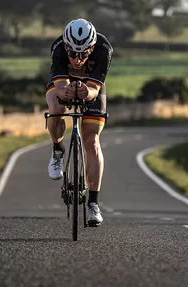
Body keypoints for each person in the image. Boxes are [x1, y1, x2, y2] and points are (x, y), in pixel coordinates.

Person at [45, 18, 113, 227]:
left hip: (91, 85)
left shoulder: (104, 49)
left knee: (91, 141)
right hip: (64, 82)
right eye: (73, 53)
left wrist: (88, 92)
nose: (77, 59)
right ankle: (58, 150)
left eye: (83, 54)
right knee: (56, 110)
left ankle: (93, 203)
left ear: (92, 48)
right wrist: (67, 90)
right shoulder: (58, 48)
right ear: (66, 46)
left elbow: (95, 89)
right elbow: (61, 86)